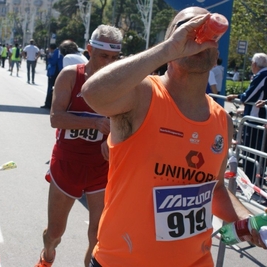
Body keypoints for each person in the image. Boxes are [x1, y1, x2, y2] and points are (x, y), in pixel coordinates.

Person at [81, 7, 266, 267]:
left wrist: (251, 221)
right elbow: (93, 94)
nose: (196, 34)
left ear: (216, 56)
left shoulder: (222, 120)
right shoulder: (143, 95)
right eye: (186, 26)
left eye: (206, 32)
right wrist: (169, 48)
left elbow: (214, 188)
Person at [34, 24, 122, 267]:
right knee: (55, 233)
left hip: (100, 167)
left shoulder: (120, 82)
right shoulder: (71, 75)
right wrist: (95, 122)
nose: (109, 62)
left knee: (98, 235)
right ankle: (47, 256)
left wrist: (113, 134)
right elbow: (55, 118)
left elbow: (124, 121)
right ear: (89, 49)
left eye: (115, 57)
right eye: (104, 55)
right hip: (67, 163)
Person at [227, 53, 267, 183]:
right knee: (257, 153)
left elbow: (248, 97)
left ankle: (250, 183)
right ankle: (256, 182)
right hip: (257, 120)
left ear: (254, 64)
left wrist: (240, 97)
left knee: (251, 152)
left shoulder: (262, 74)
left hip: (255, 120)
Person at [41, 43, 63, 109]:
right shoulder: (58, 52)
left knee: (50, 89)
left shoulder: (56, 53)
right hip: (55, 72)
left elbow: (53, 62)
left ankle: (48, 104)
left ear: (51, 48)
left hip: (54, 73)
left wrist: (48, 58)